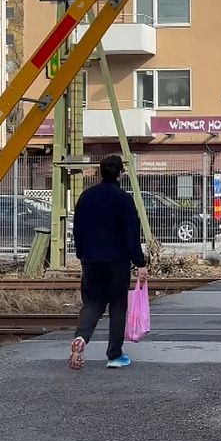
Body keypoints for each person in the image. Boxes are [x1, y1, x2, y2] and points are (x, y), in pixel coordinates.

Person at [69, 155, 147, 371]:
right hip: (118, 262)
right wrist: (140, 263)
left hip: (91, 260)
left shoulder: (86, 197)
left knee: (93, 304)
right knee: (117, 306)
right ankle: (114, 354)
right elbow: (132, 233)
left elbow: (77, 229)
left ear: (99, 172)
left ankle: (82, 338)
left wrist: (82, 254)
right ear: (120, 173)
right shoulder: (124, 199)